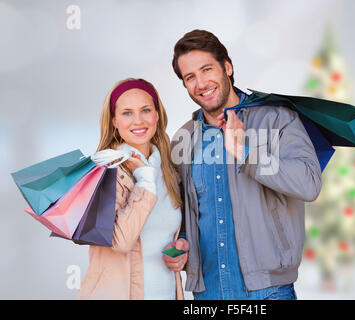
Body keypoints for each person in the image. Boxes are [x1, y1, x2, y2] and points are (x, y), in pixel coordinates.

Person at [166, 30, 322, 300]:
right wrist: (181, 240)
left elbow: (308, 183)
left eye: (207, 70)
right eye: (190, 77)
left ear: (227, 67)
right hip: (208, 292)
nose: (201, 83)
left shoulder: (278, 120)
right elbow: (183, 210)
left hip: (269, 291)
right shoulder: (183, 138)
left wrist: (244, 151)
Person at [77, 78, 187, 300]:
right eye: (127, 112)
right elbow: (121, 242)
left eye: (146, 110)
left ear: (157, 116)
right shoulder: (104, 172)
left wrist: (181, 247)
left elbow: (165, 234)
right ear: (114, 121)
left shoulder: (169, 172)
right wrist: (144, 179)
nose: (138, 120)